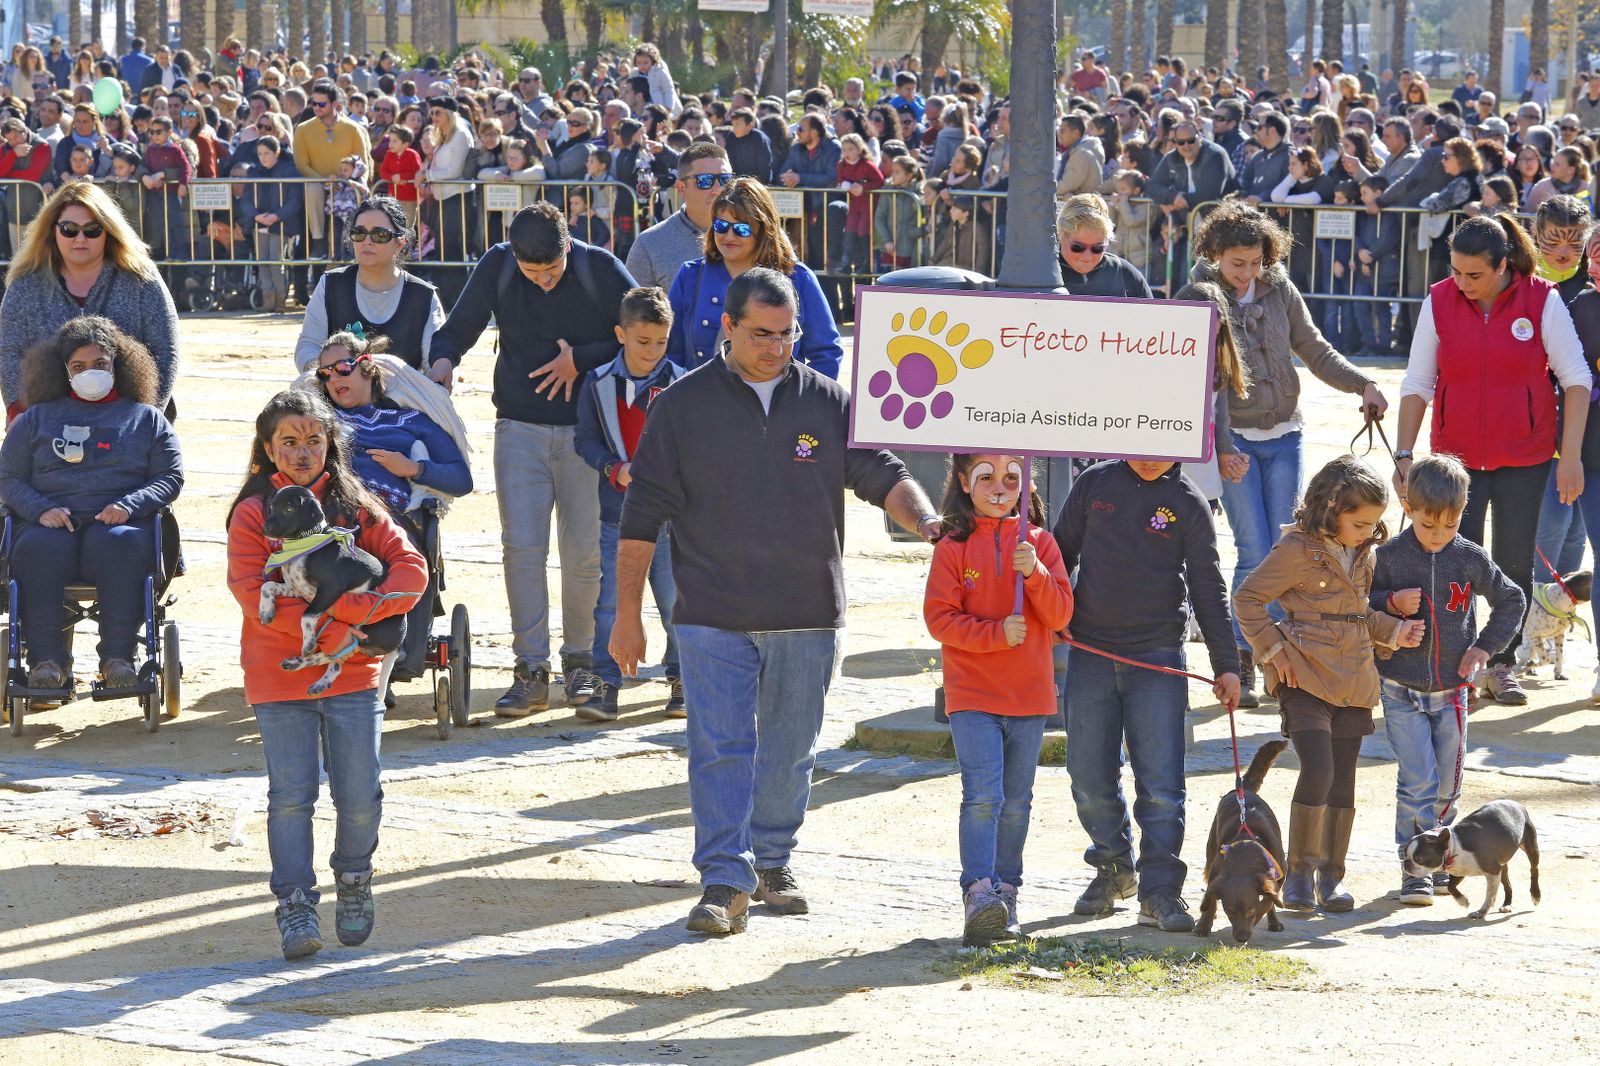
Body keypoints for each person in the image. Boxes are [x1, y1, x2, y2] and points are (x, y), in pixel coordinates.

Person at [610, 268, 939, 935]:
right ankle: (724, 880)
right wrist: (625, 617)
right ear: (726, 327)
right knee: (720, 748)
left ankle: (775, 862)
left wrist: (929, 523)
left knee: (790, 749)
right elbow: (641, 517)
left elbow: (883, 472)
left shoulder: (826, 400)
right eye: (761, 335)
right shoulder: (680, 406)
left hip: (808, 608)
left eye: (786, 335)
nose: (776, 348)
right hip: (711, 611)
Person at [226, 389, 427, 961]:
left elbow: (411, 568)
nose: (302, 451)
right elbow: (250, 594)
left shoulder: (356, 507)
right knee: (291, 796)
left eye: (314, 439)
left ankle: (355, 878)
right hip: (278, 673)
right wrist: (345, 623)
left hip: (354, 670)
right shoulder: (251, 514)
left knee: (360, 794)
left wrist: (355, 622)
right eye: (288, 441)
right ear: (268, 451)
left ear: (330, 445)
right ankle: (294, 901)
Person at [430, 202, 636, 716]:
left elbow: (645, 332)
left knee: (584, 553)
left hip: (589, 435)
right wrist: (442, 365)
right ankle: (531, 668)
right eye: (532, 272)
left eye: (552, 269)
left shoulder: (598, 267)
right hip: (518, 428)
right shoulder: (498, 265)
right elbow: (457, 329)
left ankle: (582, 662)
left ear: (569, 246)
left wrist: (581, 359)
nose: (543, 281)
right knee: (521, 549)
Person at [1189, 201, 1388, 709]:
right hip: (1235, 442)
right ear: (1214, 255)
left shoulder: (1280, 287)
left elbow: (1314, 348)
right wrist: (1222, 448)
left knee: (1287, 546)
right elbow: (1201, 383)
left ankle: (1287, 653)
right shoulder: (1200, 296)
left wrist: (1361, 383)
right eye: (1238, 263)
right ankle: (1241, 658)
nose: (1249, 272)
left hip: (1286, 434)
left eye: (1256, 262)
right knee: (1254, 550)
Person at [1393, 215, 1593, 706]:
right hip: (1452, 462)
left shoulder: (1541, 299)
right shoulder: (1438, 300)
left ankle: (1501, 665)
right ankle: (1452, 663)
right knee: (1453, 559)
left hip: (1526, 457)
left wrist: (1570, 457)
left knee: (1511, 563)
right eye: (1456, 272)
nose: (1462, 283)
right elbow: (1418, 383)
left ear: (1503, 264)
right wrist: (1404, 454)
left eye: (1474, 275)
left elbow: (1577, 380)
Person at [1053, 446, 1242, 931]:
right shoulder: (1094, 484)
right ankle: (1114, 868)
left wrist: (1227, 664)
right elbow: (1059, 554)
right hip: (1091, 654)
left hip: (1158, 659)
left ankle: (1160, 890)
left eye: (1164, 449)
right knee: (1088, 777)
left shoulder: (1188, 501)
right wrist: (1050, 611)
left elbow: (1208, 588)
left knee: (1160, 787)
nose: (1152, 458)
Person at [1235, 456, 1423, 913]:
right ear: (1331, 506)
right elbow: (1247, 599)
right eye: (1359, 523)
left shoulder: (1364, 553)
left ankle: (1331, 877)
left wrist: (1392, 632)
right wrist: (1274, 651)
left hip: (1355, 678)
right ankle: (1298, 874)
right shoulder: (1296, 549)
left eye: (1373, 524)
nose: (1367, 532)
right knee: (1317, 770)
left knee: (1343, 780)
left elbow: (1355, 614)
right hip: (1303, 675)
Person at [926, 454, 1072, 944]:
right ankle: (979, 892)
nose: (999, 486)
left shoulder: (1041, 543)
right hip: (972, 692)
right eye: (986, 476)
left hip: (1029, 695)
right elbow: (939, 619)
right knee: (983, 795)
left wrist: (1035, 575)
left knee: (1016, 802)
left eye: (1012, 477)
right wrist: (993, 633)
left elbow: (1060, 615)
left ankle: (1007, 891)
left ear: (1025, 485)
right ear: (965, 483)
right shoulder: (951, 547)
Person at [1370, 454, 1524, 905]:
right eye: (1427, 525)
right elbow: (1362, 600)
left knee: (1447, 786)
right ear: (1408, 505)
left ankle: (1439, 861)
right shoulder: (1390, 555)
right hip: (1400, 688)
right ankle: (1413, 870)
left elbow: (1511, 600)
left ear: (1463, 511)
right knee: (1416, 780)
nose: (1438, 536)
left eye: (1450, 525)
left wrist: (1484, 648)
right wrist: (1392, 603)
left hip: (1454, 693)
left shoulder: (1470, 557)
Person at [0, 316, 182, 691]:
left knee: (122, 543)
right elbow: (7, 478)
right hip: (49, 524)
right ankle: (45, 661)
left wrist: (130, 504)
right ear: (64, 372)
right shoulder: (35, 419)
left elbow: (170, 477)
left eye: (100, 364)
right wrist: (39, 509)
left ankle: (118, 658)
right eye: (78, 367)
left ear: (118, 364)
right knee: (36, 548)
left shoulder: (147, 419)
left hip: (118, 525)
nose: (90, 373)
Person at [310, 330, 472, 690]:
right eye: (325, 374)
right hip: (333, 516)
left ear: (366, 366)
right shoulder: (320, 421)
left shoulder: (409, 422)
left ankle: (391, 649)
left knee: (385, 549)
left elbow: (462, 478)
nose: (333, 378)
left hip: (391, 521)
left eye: (342, 368)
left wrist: (414, 469)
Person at [573, 286, 686, 722]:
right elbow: (584, 439)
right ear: (621, 334)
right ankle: (606, 682)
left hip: (673, 520)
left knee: (677, 600)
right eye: (643, 342)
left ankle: (682, 678)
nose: (653, 351)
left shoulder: (683, 382)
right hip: (617, 514)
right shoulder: (597, 382)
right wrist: (612, 467)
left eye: (661, 342)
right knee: (612, 603)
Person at [0, 182, 179, 418]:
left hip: (130, 423)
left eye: (92, 229)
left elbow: (165, 351)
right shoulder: (25, 285)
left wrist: (147, 419)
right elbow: (8, 352)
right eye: (69, 229)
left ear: (108, 231)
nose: (80, 238)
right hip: (46, 426)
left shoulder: (141, 280)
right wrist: (21, 415)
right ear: (52, 230)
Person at [664, 177, 842, 377]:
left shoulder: (797, 277)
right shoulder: (690, 275)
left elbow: (826, 352)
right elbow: (671, 352)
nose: (729, 236)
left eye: (741, 229)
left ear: (763, 229)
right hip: (703, 401)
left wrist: (804, 402)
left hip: (776, 404)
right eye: (721, 226)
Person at [293, 197, 446, 378]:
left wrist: (441, 369)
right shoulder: (330, 284)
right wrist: (325, 374)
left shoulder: (424, 296)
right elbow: (308, 345)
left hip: (401, 401)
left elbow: (435, 359)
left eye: (379, 235)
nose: (367, 241)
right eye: (359, 233)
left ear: (399, 243)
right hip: (336, 398)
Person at [624, 142, 730, 290]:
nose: (718, 189)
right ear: (681, 188)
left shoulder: (751, 233)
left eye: (725, 179)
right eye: (705, 181)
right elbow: (634, 310)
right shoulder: (649, 243)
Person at [293, 80, 372, 258]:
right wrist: (326, 180)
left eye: (321, 104)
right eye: (314, 103)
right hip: (319, 184)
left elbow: (362, 164)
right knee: (312, 188)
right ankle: (319, 242)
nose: (316, 107)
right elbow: (301, 164)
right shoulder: (304, 129)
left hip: (348, 186)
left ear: (335, 104)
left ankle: (350, 248)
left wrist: (352, 183)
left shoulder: (352, 129)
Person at [240, 134, 304, 314]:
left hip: (280, 223)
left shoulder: (289, 170)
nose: (263, 157)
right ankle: (267, 299)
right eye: (260, 154)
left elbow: (294, 200)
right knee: (262, 262)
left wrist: (276, 216)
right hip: (259, 222)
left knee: (276, 261)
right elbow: (246, 201)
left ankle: (280, 298)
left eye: (266, 153)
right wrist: (256, 216)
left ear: (276, 152)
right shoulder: (254, 172)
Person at [1056, 193, 1152, 297]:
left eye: (1097, 248)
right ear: (1061, 235)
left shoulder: (1124, 274)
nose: (1087, 257)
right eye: (1077, 247)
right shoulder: (1044, 272)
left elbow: (1152, 312)